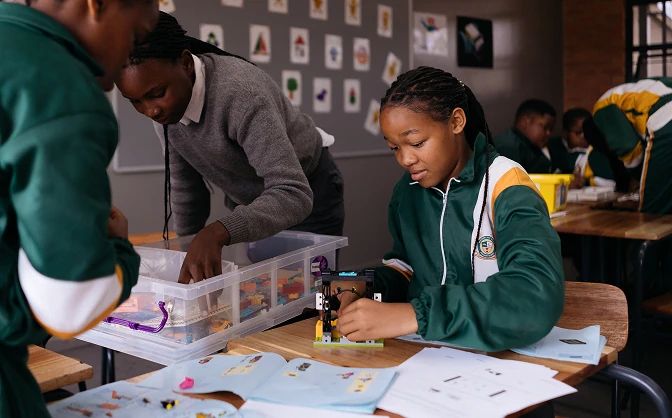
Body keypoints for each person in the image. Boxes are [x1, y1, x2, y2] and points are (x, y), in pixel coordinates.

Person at [0, 0, 158, 416]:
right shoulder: (59, 85)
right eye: (135, 36)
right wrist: (118, 250)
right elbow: (70, 304)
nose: (130, 54)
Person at [336, 67, 564, 355]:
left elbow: (534, 297)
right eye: (395, 147)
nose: (405, 159)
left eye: (417, 143)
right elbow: (408, 269)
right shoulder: (406, 192)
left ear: (456, 122)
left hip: (503, 361)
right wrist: (364, 282)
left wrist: (416, 315)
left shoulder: (506, 184)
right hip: (426, 359)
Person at [115, 12, 345, 284]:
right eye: (135, 102)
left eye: (157, 93)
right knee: (263, 297)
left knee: (307, 299)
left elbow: (293, 193)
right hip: (256, 202)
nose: (151, 110)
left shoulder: (241, 94)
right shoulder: (167, 114)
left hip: (308, 188)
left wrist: (219, 231)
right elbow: (186, 192)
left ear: (187, 63)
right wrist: (187, 259)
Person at [586, 77, 672, 213]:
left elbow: (627, 146)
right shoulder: (641, 88)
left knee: (653, 213)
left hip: (665, 120)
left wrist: (637, 176)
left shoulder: (600, 108)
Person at [494, 99, 557, 173]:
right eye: (545, 127)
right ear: (525, 122)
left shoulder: (536, 146)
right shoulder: (508, 147)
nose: (548, 133)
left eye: (551, 129)